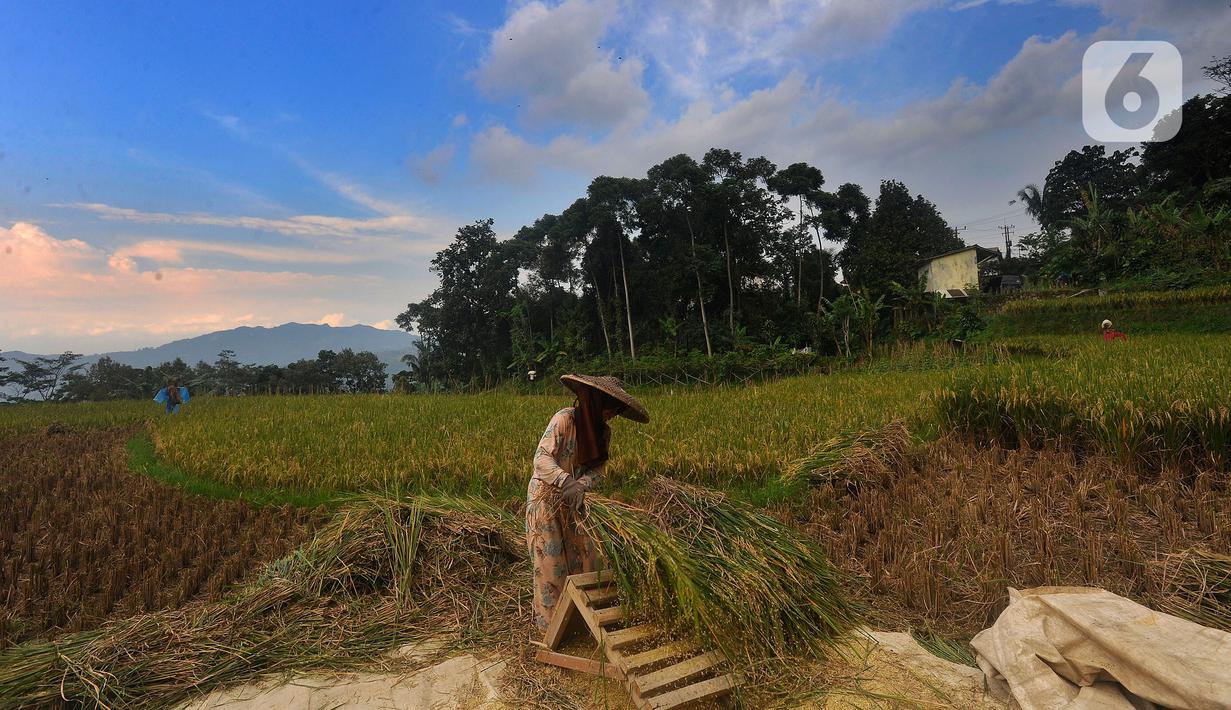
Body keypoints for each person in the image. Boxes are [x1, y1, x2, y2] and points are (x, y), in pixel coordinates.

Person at [526, 374, 649, 630]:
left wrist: (580, 485)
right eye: (610, 409)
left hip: (577, 501)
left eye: (615, 411)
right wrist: (565, 481)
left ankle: (584, 620)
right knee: (550, 563)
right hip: (546, 500)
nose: (612, 415)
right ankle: (552, 629)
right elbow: (541, 459)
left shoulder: (602, 433)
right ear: (595, 403)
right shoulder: (564, 419)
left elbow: (598, 470)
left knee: (585, 554)